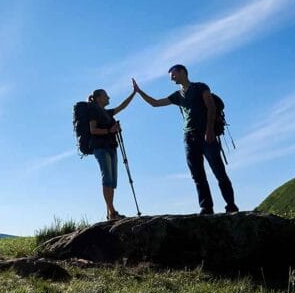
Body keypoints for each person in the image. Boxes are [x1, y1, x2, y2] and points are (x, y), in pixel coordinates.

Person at [132, 66, 239, 215]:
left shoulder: (200, 87)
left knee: (219, 171)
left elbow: (211, 107)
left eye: (173, 74)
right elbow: (155, 103)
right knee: (197, 175)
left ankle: (231, 205)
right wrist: (139, 92)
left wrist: (209, 130)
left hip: (206, 134)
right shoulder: (177, 95)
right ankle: (206, 207)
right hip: (189, 138)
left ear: (183, 72)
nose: (171, 78)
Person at [87, 88, 136, 221]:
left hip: (111, 147)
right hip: (101, 148)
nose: (108, 97)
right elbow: (93, 130)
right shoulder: (93, 110)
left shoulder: (107, 112)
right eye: (106, 96)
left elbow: (122, 106)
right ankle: (112, 212)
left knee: (112, 181)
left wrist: (133, 93)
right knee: (107, 178)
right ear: (98, 98)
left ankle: (110, 213)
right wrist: (110, 130)